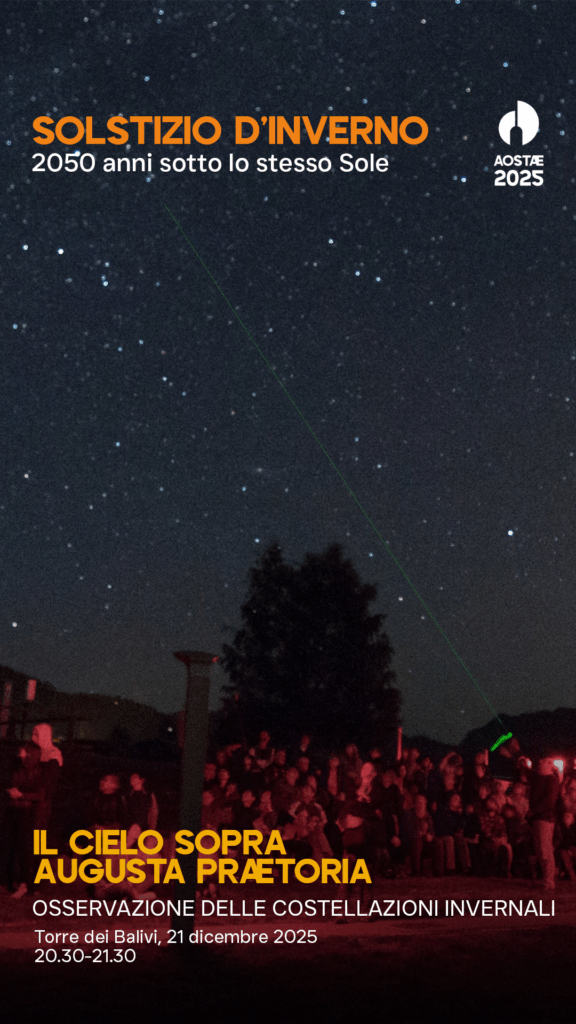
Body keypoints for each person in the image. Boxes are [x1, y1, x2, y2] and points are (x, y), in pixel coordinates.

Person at [6, 741, 45, 899]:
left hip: (28, 813)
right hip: (13, 810)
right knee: (12, 846)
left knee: (25, 848)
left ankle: (25, 883)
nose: (19, 752)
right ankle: (12, 880)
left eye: (22, 750)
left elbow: (40, 795)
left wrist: (22, 795)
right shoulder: (17, 768)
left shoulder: (37, 772)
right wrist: (10, 791)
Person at [527, 756, 562, 890]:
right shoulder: (538, 778)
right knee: (540, 849)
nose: (540, 762)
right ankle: (545, 879)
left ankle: (549, 881)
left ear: (549, 765)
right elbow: (526, 771)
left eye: (544, 761)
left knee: (544, 849)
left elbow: (549, 801)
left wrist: (534, 810)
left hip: (545, 818)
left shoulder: (552, 780)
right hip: (538, 817)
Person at [31, 723, 62, 831]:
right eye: (33, 734)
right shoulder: (37, 752)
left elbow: (50, 778)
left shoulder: (54, 754)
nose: (33, 738)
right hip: (33, 794)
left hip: (44, 797)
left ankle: (40, 847)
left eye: (36, 734)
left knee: (40, 826)